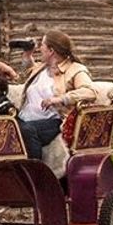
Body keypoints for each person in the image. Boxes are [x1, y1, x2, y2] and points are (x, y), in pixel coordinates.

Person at [17, 30, 98, 161]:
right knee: (6, 124)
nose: (39, 48)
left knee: (27, 130)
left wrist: (60, 99)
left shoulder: (75, 69)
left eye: (42, 45)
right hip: (25, 117)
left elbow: (89, 92)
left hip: (54, 121)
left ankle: (36, 173)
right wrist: (27, 55)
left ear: (51, 51)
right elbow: (23, 76)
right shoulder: (42, 68)